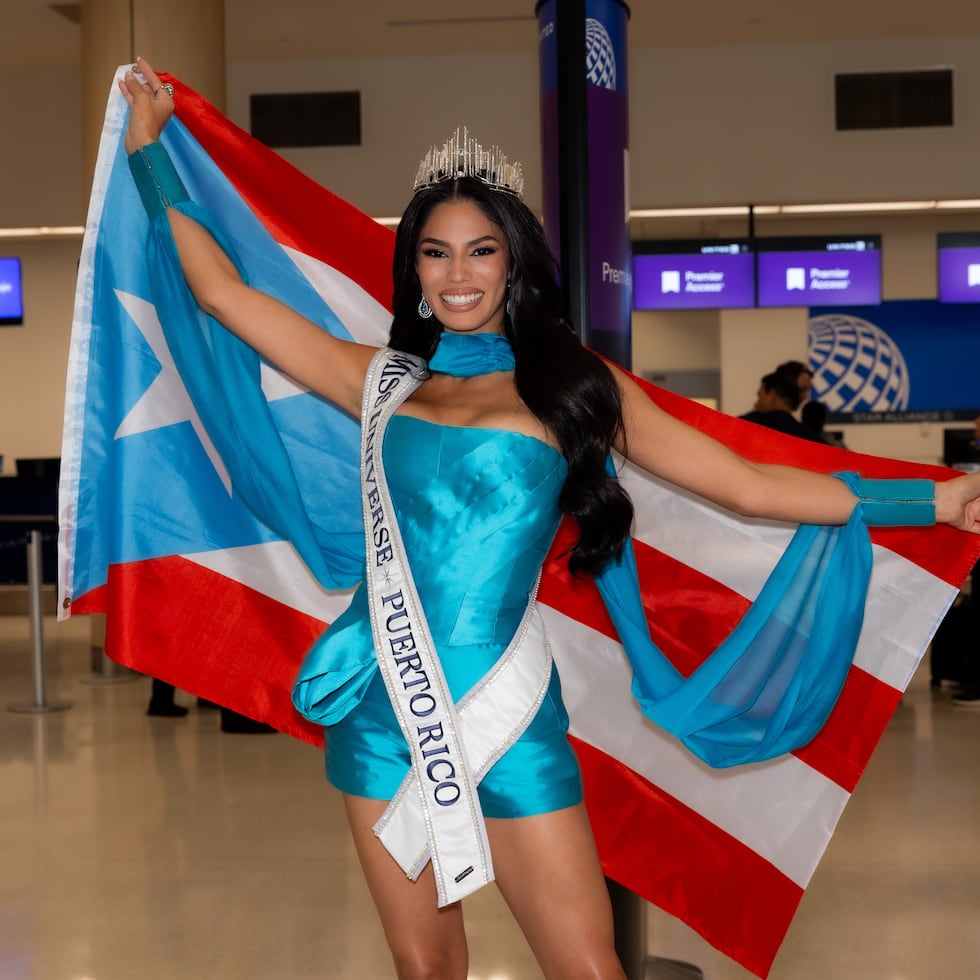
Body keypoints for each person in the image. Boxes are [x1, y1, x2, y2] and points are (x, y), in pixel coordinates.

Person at [119, 59, 980, 980]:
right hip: (381, 707)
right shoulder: (376, 379)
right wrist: (148, 154)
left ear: (515, 260)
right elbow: (220, 294)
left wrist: (935, 497)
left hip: (508, 707)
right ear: (412, 267)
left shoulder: (571, 386)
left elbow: (746, 484)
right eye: (436, 251)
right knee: (424, 968)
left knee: (588, 969)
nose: (458, 273)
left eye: (481, 250)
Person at [739, 371, 827, 443]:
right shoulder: (812, 439)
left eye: (760, 396)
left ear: (772, 395)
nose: (756, 404)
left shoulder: (742, 427)